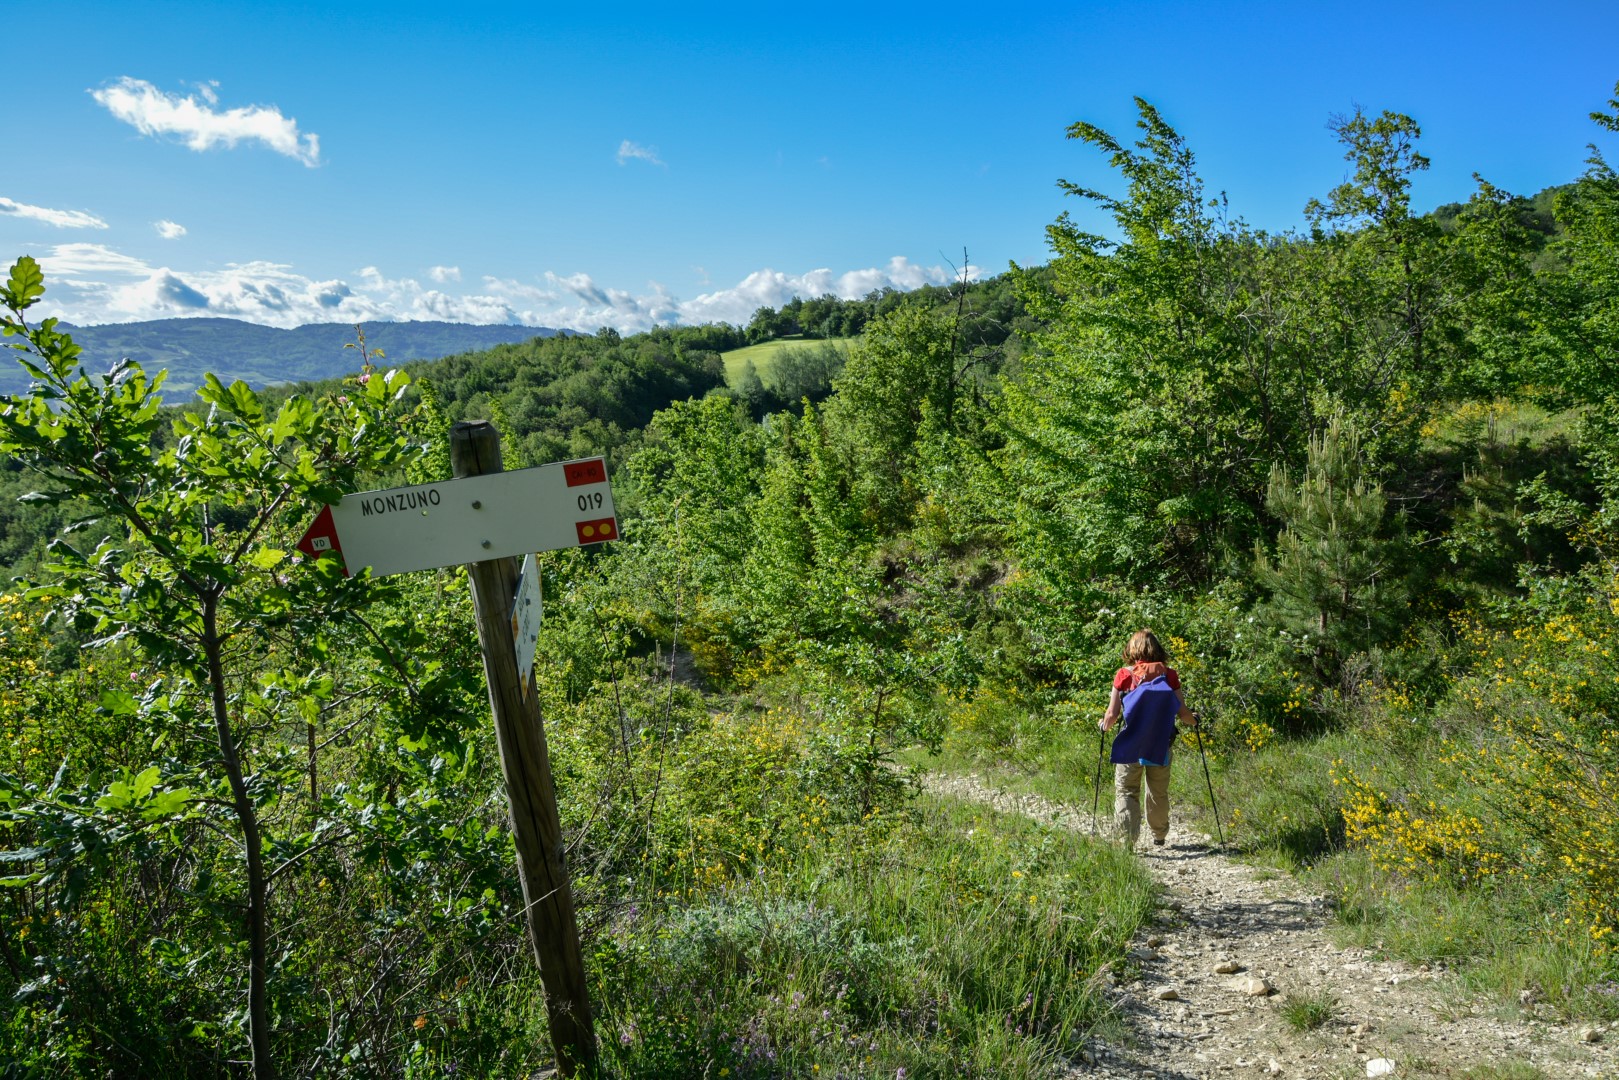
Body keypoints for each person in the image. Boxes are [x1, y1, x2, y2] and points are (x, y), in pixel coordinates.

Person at [1098, 629, 1197, 849]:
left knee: (1126, 791)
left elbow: (1112, 715)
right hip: (1160, 743)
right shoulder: (1169, 675)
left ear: (1132, 649)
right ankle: (1159, 835)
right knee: (1157, 791)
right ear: (1156, 648)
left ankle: (1126, 842)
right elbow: (1183, 714)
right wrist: (1195, 721)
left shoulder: (1124, 674)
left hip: (1131, 743)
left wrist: (1104, 725)